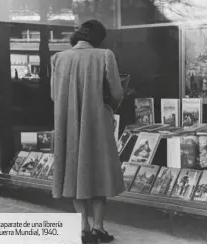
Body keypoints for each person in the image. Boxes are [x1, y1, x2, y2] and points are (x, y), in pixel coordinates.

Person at [50, 19, 125, 244]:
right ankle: (98, 228)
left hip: (68, 123)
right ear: (98, 38)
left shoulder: (58, 59)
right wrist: (108, 105)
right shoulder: (105, 55)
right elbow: (117, 93)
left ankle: (82, 228)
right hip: (97, 122)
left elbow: (55, 96)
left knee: (74, 173)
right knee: (99, 171)